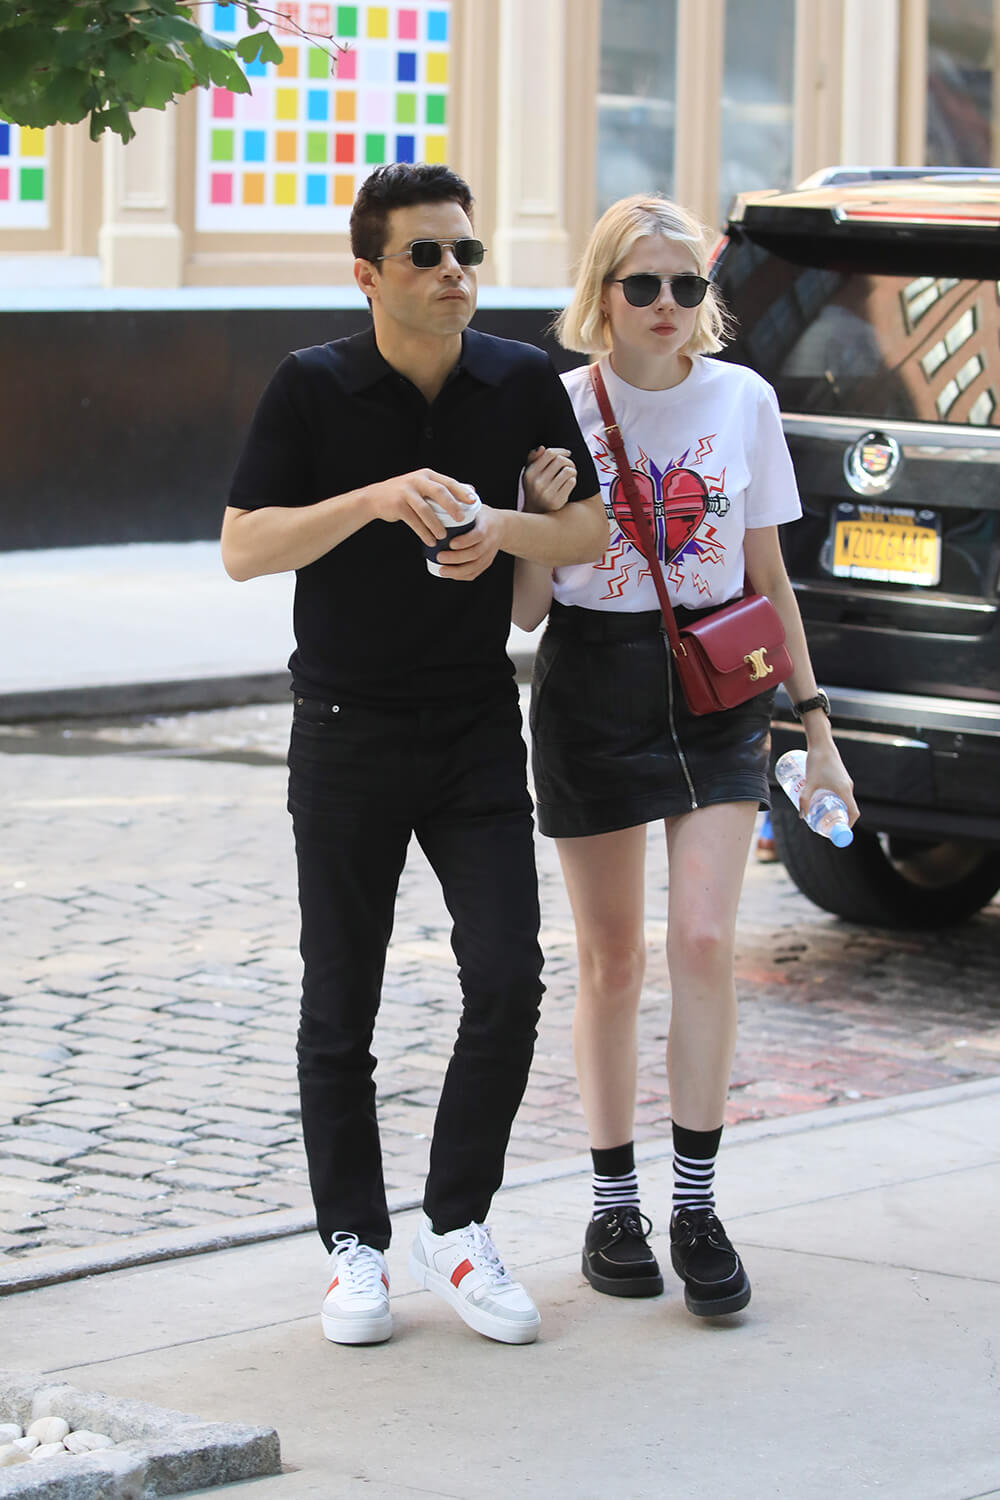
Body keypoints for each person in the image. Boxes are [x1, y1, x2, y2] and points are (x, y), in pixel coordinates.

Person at [221, 162, 606, 1348]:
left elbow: (586, 531)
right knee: (342, 999)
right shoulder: (312, 387)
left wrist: (501, 530)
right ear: (369, 275)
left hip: (475, 725)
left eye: (466, 253)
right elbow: (243, 547)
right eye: (428, 257)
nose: (456, 275)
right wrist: (375, 498)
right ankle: (352, 1248)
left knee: (507, 975)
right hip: (342, 729)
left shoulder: (521, 379)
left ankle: (458, 1224)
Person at [513, 194, 858, 1317]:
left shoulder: (742, 400)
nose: (666, 307)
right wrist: (530, 508)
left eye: (686, 287)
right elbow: (525, 610)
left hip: (717, 686)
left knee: (704, 937)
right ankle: (612, 1204)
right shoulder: (553, 404)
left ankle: (697, 1204)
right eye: (642, 285)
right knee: (611, 962)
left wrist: (817, 726)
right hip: (593, 684)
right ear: (601, 292)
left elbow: (766, 574)